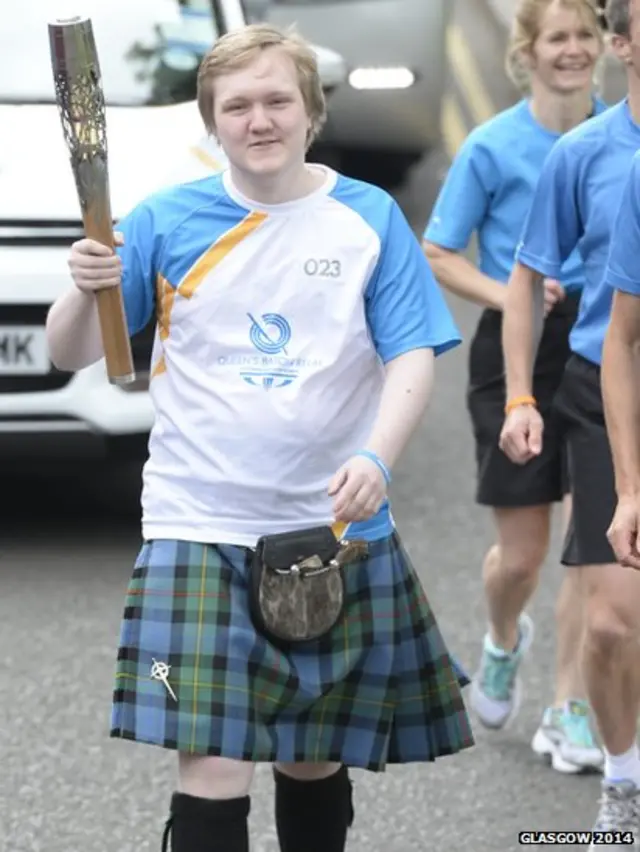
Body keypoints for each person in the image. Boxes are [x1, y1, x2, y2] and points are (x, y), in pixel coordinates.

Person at [45, 22, 474, 852]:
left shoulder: (367, 218)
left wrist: (377, 457)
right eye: (236, 105)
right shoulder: (165, 219)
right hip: (197, 523)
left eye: (277, 100)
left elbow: (413, 353)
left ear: (311, 112)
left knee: (313, 757)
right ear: (213, 123)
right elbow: (76, 351)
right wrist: (82, 287)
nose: (258, 119)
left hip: (330, 532)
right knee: (211, 764)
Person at [422, 0, 605, 773]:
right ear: (526, 53)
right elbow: (439, 251)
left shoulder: (617, 138)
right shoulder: (494, 148)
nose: (572, 51)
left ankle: (570, 706)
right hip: (515, 350)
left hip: (602, 349)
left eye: (585, 37)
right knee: (523, 556)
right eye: (556, 38)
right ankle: (503, 637)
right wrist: (511, 294)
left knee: (589, 547)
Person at [499, 0, 640, 842]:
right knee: (611, 619)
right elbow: (527, 278)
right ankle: (623, 783)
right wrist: (521, 394)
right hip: (603, 387)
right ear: (622, 47)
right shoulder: (584, 154)